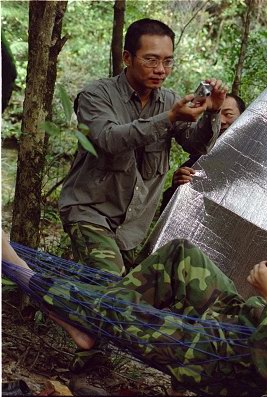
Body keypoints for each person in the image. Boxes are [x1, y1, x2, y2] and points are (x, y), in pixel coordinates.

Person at [2, 212, 267, 396]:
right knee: (181, 253)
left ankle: (19, 268)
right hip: (234, 325)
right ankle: (96, 322)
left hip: (225, 362)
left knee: (127, 314)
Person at [58, 18, 227, 277]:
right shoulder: (96, 96)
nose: (160, 69)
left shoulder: (169, 101)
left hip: (131, 229)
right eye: (151, 60)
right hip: (89, 213)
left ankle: (56, 298)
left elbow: (198, 146)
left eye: (167, 61)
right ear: (127, 57)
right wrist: (169, 118)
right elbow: (109, 139)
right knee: (111, 282)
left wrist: (212, 112)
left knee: (111, 291)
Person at [159, 93, 246, 213]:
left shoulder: (253, 156)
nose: (220, 121)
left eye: (228, 114)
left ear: (244, 116)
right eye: (216, 115)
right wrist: (177, 184)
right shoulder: (197, 160)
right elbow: (170, 211)